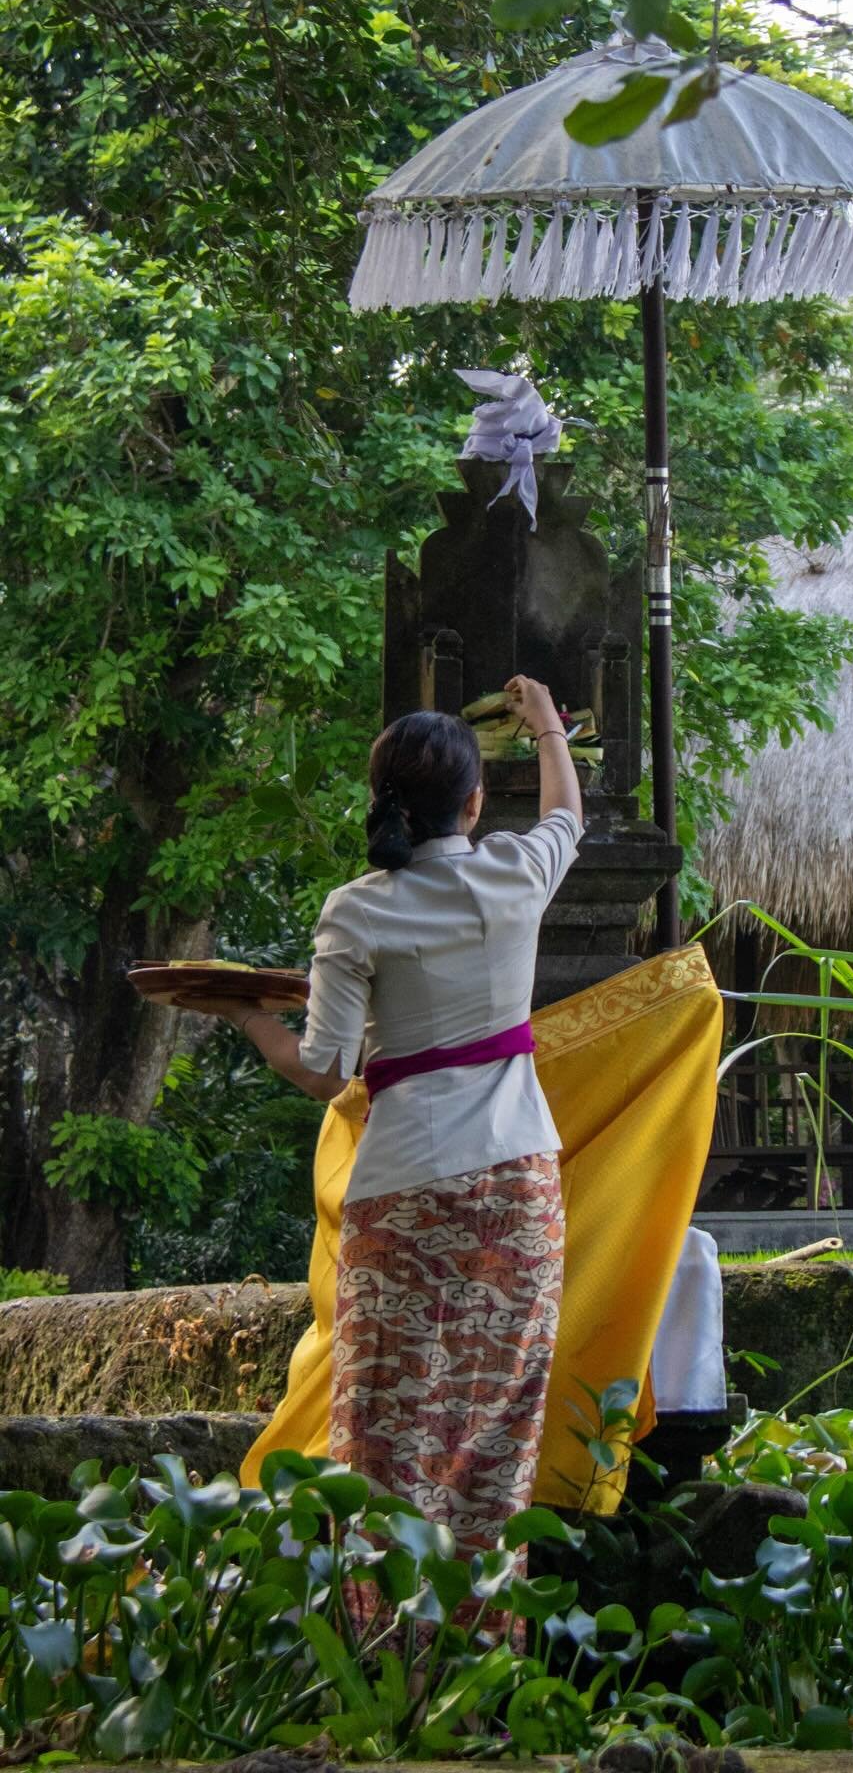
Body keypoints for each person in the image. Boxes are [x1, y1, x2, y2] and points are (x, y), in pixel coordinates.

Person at [194, 676, 582, 1590]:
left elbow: (326, 1070)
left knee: (384, 1435)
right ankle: (481, 1676)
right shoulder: (518, 871)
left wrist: (249, 1015)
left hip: (405, 1191)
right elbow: (568, 812)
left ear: (385, 802)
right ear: (475, 802)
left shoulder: (357, 908)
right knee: (495, 1434)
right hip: (518, 1189)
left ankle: (386, 1667)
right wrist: (548, 727)